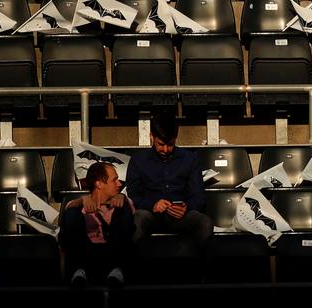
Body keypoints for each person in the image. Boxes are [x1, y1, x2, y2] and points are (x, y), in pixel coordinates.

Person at [124, 113, 212, 261]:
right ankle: (135, 272)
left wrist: (186, 207)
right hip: (150, 215)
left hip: (181, 216)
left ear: (176, 139)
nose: (165, 149)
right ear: (152, 136)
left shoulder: (189, 159)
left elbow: (198, 196)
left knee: (204, 222)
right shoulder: (138, 160)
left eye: (170, 144)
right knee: (137, 219)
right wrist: (152, 205)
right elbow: (133, 194)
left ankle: (200, 274)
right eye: (161, 144)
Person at [60, 161, 135, 287]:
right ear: (99, 183)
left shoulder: (123, 202)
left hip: (113, 253)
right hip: (87, 255)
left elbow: (131, 215)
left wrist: (122, 196)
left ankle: (118, 271)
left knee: (123, 211)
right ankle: (77, 272)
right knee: (72, 214)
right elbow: (68, 208)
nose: (119, 184)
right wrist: (82, 200)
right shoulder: (79, 205)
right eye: (114, 180)